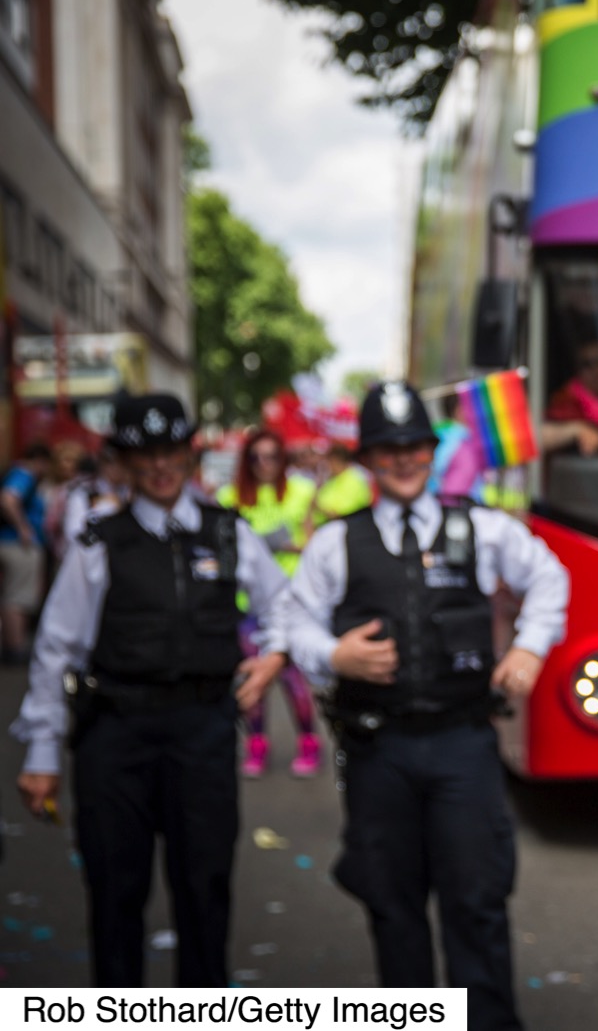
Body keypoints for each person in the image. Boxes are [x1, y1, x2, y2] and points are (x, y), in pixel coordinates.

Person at [277, 379, 569, 1031]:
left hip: (463, 742)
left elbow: (549, 576)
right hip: (379, 749)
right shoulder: (336, 542)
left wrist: (528, 648)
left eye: (414, 446)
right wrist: (334, 655)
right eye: (388, 449)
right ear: (368, 459)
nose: (403, 459)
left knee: (477, 900)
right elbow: (293, 623)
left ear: (430, 452)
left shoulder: (481, 526)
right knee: (393, 904)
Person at [9, 393, 291, 985]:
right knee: (115, 893)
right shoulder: (96, 542)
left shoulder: (228, 532)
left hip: (203, 733)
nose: (160, 466)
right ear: (123, 461)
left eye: (171, 451)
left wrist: (274, 655)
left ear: (190, 454)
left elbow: (284, 607)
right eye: (145, 454)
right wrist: (41, 753)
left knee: (205, 889)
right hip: (115, 736)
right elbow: (55, 648)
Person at [218, 430, 321, 778]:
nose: (264, 464)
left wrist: (281, 547)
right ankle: (256, 743)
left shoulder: (302, 491)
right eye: (256, 457)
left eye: (272, 456)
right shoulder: (229, 497)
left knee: (293, 678)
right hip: (248, 606)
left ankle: (309, 740)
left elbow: (312, 541)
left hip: (291, 601)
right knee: (252, 676)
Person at [0, 443, 54, 666]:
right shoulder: (24, 474)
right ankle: (15, 649)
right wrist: (23, 527)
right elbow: (8, 499)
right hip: (18, 545)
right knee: (17, 598)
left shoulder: (17, 473)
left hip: (11, 542)